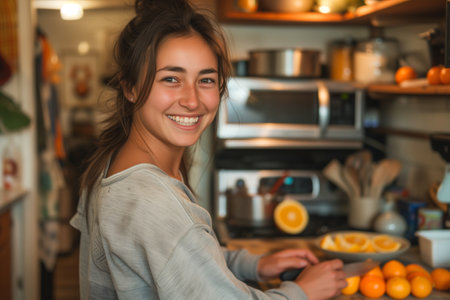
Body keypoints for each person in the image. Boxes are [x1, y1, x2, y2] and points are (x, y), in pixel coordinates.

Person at [70, 0, 348, 299]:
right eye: (171, 79)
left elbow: (176, 259)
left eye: (205, 80)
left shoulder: (116, 165)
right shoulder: (153, 202)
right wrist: (303, 291)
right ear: (130, 87)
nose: (192, 100)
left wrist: (252, 264)